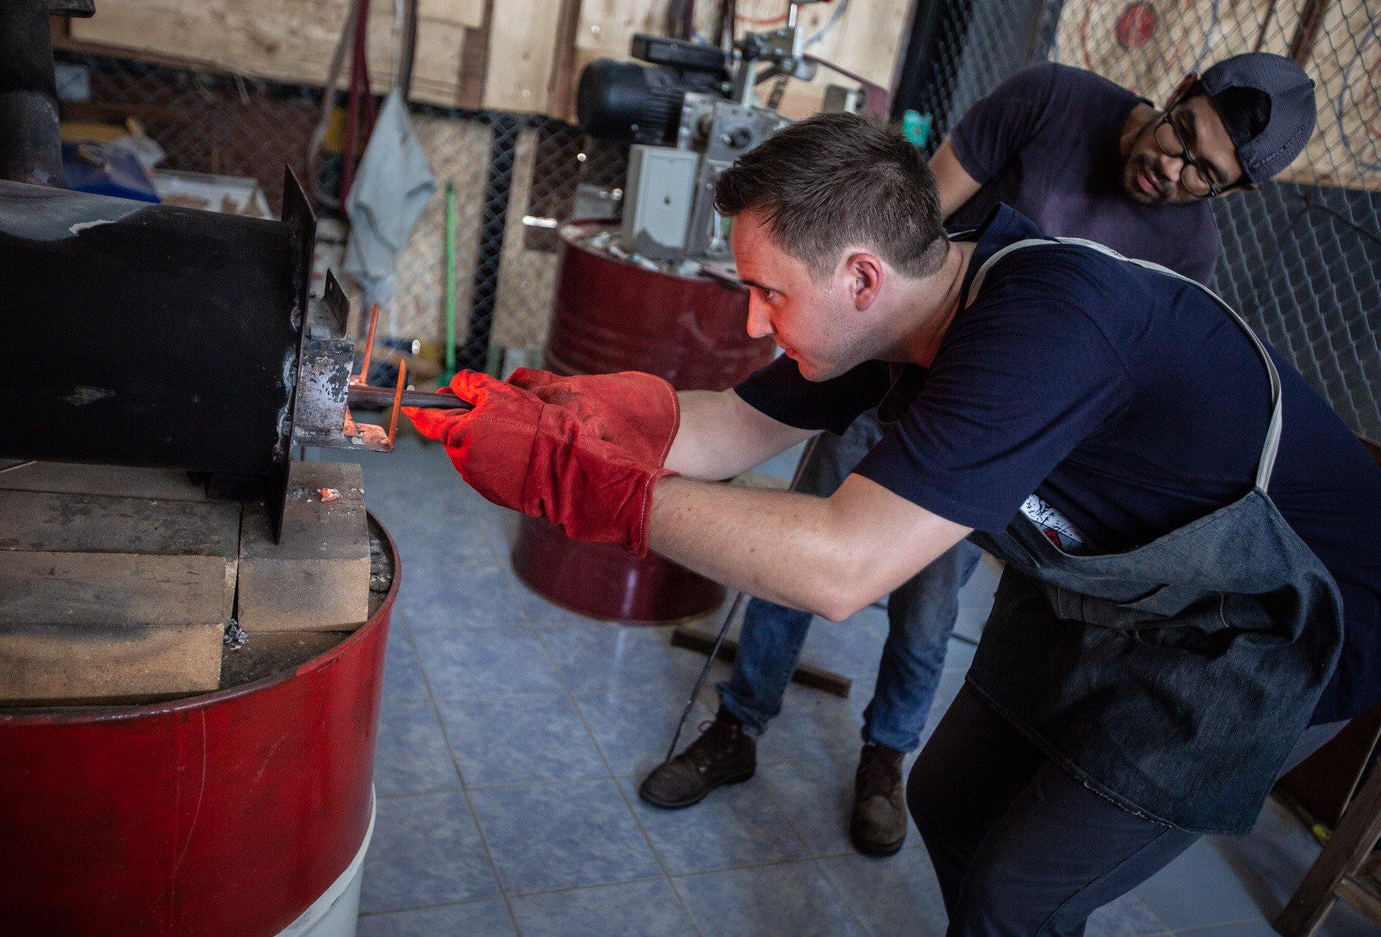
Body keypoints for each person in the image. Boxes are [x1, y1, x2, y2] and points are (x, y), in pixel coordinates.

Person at [405, 107, 1381, 934]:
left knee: (1018, 892)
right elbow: (730, 427)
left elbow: (841, 565)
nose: (751, 323)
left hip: (1278, 625)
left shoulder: (1039, 328)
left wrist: (580, 486)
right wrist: (575, 414)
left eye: (765, 293)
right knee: (948, 803)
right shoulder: (896, 309)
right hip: (1113, 587)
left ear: (860, 277)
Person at [637, 51, 1324, 859]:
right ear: (1177, 93)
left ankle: (885, 758)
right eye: (1182, 134)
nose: (1171, 167)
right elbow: (914, 231)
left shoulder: (1190, 252)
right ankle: (737, 723)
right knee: (788, 540)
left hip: (996, 447)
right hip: (902, 354)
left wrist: (610, 493)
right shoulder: (1051, 99)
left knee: (925, 607)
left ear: (1233, 191)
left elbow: (1086, 405)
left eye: (1203, 173)